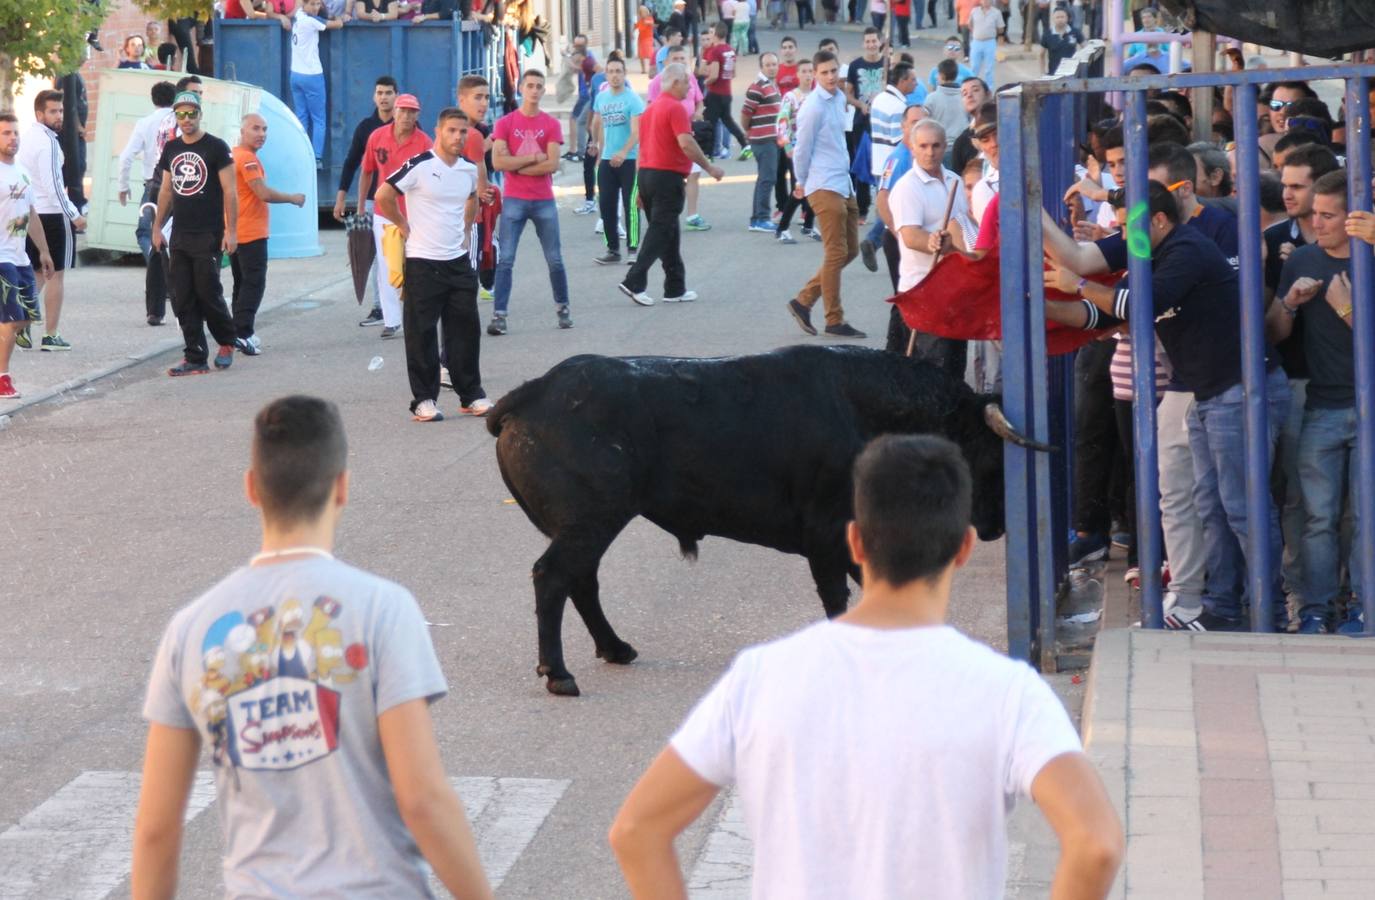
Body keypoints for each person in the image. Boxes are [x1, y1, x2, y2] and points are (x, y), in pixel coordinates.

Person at [611, 434, 1124, 897]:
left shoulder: (761, 677)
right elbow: (1095, 843)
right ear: (965, 547)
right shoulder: (1009, 693)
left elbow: (637, 831)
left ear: (855, 541)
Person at [131, 395, 493, 898]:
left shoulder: (191, 627)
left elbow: (155, 828)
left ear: (251, 488)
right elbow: (422, 798)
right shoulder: (384, 609)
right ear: (342, 487)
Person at [1044, 180, 1290, 632]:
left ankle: (1268, 610)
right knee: (1212, 506)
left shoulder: (1186, 250)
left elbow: (1139, 303)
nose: (1123, 238)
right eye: (1118, 229)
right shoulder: (1149, 249)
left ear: (1159, 220)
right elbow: (1106, 314)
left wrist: (1077, 284)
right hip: (1211, 392)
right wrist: (1041, 305)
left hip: (1240, 389)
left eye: (1128, 228)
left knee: (1241, 506)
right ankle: (1225, 608)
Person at [1267, 170, 1363, 634]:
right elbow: (1274, 334)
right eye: (1316, 214)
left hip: (1365, 406)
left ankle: (1361, 607)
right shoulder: (1302, 258)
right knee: (1317, 518)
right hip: (1321, 406)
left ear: (1354, 219)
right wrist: (1288, 303)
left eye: (1329, 215)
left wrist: (1346, 310)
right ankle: (1316, 608)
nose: (1317, 223)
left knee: (1363, 516)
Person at [1263, 143, 1341, 625]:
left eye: (1297, 185)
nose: (1287, 193)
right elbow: (1270, 325)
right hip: (1300, 388)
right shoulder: (1277, 245)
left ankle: (1348, 600)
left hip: (1347, 391)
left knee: (1348, 512)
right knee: (1304, 505)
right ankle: (1306, 599)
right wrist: (1289, 302)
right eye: (1284, 184)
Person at [376, 109, 490, 422]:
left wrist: (466, 227)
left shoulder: (468, 169)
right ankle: (424, 399)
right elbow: (383, 194)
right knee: (421, 334)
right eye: (452, 131)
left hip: (457, 261)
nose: (458, 137)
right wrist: (401, 223)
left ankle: (471, 395)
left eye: (463, 132)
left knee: (465, 331)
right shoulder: (420, 166)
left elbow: (472, 198)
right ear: (439, 132)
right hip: (422, 262)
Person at [617, 63, 724, 307]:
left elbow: (641, 150)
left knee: (669, 232)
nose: (689, 87)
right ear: (675, 83)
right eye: (687, 82)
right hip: (667, 177)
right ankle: (634, 280)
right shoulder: (675, 109)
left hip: (647, 175)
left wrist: (638, 188)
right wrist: (709, 167)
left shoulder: (651, 109)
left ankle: (675, 287)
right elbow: (686, 143)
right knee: (660, 230)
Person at [151, 90, 239, 377]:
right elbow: (165, 190)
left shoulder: (216, 147)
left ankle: (226, 341)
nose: (186, 119)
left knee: (208, 290)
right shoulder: (172, 148)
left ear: (200, 114)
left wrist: (231, 231)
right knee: (182, 295)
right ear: (175, 116)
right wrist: (156, 226)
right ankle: (195, 356)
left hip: (208, 232)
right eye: (181, 114)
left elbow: (230, 191)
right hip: (179, 233)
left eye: (191, 113)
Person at [786, 50, 866, 339]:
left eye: (834, 71)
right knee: (835, 253)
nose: (831, 77)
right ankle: (834, 319)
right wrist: (803, 183)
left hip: (843, 182)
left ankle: (803, 301)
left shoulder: (839, 99)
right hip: (822, 184)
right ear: (816, 75)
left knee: (851, 250)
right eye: (825, 72)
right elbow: (801, 150)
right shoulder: (812, 107)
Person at [489, 68, 571, 335]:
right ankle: (499, 315)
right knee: (506, 259)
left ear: (543, 91)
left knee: (554, 258)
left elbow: (553, 163)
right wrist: (532, 159)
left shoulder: (550, 124)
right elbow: (498, 162)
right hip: (514, 199)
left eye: (539, 86)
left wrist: (518, 165)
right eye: (530, 85)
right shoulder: (506, 123)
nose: (534, 90)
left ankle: (563, 308)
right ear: (521, 88)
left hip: (543, 200)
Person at [890, 119, 970, 374]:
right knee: (925, 375)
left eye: (936, 145)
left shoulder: (956, 181)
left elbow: (967, 227)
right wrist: (934, 242)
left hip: (953, 294)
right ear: (912, 148)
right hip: (921, 294)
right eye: (923, 146)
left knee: (952, 370)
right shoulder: (907, 188)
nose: (930, 152)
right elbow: (910, 236)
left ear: (945, 146)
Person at [230, 114, 306, 356]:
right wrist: (292, 198)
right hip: (250, 232)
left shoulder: (233, 155)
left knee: (241, 284)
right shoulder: (247, 159)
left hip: (237, 231)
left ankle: (241, 331)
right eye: (255, 128)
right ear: (242, 131)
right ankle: (241, 333)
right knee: (253, 283)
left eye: (264, 129)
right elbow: (262, 193)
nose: (261, 133)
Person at [359, 92, 432, 339]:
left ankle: (418, 315)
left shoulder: (424, 142)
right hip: (384, 211)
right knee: (387, 265)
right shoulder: (377, 137)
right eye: (403, 111)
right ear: (395, 112)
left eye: (412, 112)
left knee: (417, 264)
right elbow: (367, 171)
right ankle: (392, 320)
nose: (406, 116)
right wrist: (361, 206)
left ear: (417, 115)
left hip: (415, 212)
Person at [17, 90, 84, 353]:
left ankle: (20, 319)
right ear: (39, 114)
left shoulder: (27, 138)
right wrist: (75, 215)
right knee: (55, 275)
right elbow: (55, 187)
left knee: (36, 271)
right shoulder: (48, 143)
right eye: (53, 111)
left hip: (30, 215)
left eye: (60, 110)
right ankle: (51, 334)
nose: (59, 116)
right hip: (52, 215)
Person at [0, 114, 55, 400]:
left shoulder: (21, 171)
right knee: (10, 319)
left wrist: (44, 251)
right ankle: (2, 378)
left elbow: (31, 213)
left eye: (15, 133)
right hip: (1, 259)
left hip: (20, 257)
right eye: (6, 133)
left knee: (26, 318)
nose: (13, 138)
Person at [335, 75, 397, 325]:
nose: (383, 97)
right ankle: (379, 307)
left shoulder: (406, 124)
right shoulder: (366, 128)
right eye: (380, 92)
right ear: (374, 96)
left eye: (388, 92)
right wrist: (342, 199)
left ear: (396, 96)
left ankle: (407, 304)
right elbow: (352, 164)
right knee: (377, 256)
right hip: (374, 202)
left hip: (403, 202)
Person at [118, 80, 177, 327]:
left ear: (153, 99)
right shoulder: (177, 122)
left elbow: (126, 155)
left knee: (147, 233)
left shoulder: (144, 123)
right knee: (171, 235)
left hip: (151, 185)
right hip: (176, 185)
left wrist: (123, 186)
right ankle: (169, 274)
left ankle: (158, 293)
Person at [650, 44, 713, 231]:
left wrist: (698, 113)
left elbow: (700, 101)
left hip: (689, 131)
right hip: (669, 136)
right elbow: (652, 109)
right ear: (667, 62)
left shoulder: (691, 79)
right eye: (675, 59)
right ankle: (663, 215)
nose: (679, 62)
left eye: (682, 59)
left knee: (694, 173)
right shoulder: (657, 82)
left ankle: (692, 216)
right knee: (670, 176)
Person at [591, 55, 646, 264]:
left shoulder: (632, 99)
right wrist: (595, 144)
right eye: (611, 71)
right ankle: (612, 250)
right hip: (606, 160)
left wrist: (623, 152)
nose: (615, 76)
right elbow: (597, 122)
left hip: (629, 161)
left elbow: (637, 132)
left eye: (618, 72)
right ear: (606, 74)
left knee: (631, 205)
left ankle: (632, 249)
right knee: (606, 205)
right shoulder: (602, 97)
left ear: (624, 74)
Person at [286, 0, 347, 169]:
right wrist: (342, 18)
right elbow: (336, 24)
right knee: (319, 119)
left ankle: (300, 154)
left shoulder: (299, 15)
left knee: (301, 117)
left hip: (295, 74)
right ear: (304, 4)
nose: (315, 7)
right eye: (312, 4)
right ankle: (317, 158)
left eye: (317, 4)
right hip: (312, 75)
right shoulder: (311, 21)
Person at [844, 28, 885, 222]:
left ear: (880, 42)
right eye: (867, 41)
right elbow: (848, 94)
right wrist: (860, 104)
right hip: (861, 123)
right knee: (862, 165)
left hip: (883, 122)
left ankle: (883, 208)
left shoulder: (887, 65)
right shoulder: (855, 66)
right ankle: (862, 210)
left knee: (884, 165)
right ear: (863, 44)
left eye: (873, 41)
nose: (871, 45)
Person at [775, 56, 818, 244]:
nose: (808, 75)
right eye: (804, 71)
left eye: (810, 71)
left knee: (815, 187)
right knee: (799, 188)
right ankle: (782, 228)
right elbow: (781, 122)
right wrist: (787, 145)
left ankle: (808, 225)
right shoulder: (791, 97)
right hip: (797, 150)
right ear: (797, 75)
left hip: (816, 150)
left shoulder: (819, 96)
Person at [740, 51, 783, 233]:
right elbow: (745, 114)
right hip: (763, 141)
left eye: (774, 64)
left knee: (764, 179)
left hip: (772, 140)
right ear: (762, 67)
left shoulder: (772, 86)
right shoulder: (757, 87)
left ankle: (757, 218)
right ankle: (762, 218)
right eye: (768, 65)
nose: (772, 67)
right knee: (768, 178)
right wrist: (749, 131)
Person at [699, 23, 750, 160]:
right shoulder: (730, 50)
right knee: (728, 121)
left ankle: (709, 153)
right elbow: (733, 73)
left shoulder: (715, 51)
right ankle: (744, 144)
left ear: (715, 34)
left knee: (710, 122)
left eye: (712, 32)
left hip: (715, 92)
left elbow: (714, 75)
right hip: (727, 92)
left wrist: (705, 82)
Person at [924, 58, 968, 139]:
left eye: (938, 74)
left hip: (940, 143)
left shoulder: (931, 98)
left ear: (942, 75)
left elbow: (924, 122)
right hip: (962, 143)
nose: (937, 77)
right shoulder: (966, 96)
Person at [966, 0, 1001, 86]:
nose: (986, 1)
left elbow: (1000, 28)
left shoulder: (996, 12)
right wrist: (977, 32)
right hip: (976, 42)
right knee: (974, 67)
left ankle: (989, 89)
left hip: (990, 42)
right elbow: (969, 24)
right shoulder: (974, 11)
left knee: (989, 68)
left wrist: (990, 32)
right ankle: (972, 86)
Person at [1041, 3, 1080, 74]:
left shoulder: (1075, 32)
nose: (1060, 19)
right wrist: (1042, 73)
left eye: (1062, 17)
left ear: (1067, 18)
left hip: (1071, 73)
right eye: (1057, 17)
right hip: (1053, 74)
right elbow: (1041, 54)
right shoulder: (1047, 34)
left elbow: (1086, 48)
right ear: (1053, 18)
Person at [635, 5, 657, 74]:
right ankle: (643, 69)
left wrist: (649, 23)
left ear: (646, 12)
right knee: (641, 55)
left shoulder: (649, 18)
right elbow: (636, 27)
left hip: (648, 39)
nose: (642, 14)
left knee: (650, 54)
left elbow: (652, 24)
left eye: (643, 12)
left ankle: (652, 68)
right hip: (641, 39)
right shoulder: (640, 21)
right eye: (641, 12)